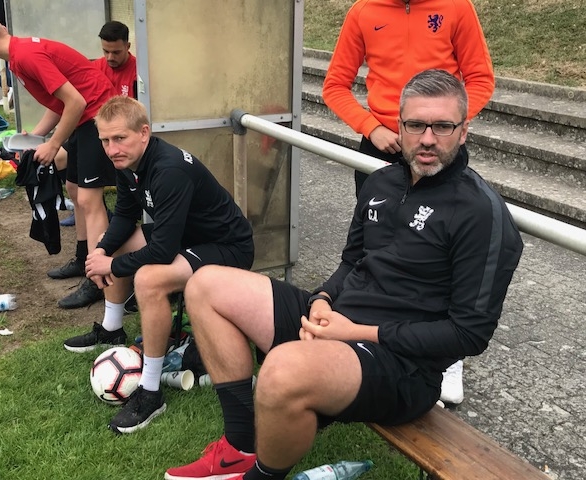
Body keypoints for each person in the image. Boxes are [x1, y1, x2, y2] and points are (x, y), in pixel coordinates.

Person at [165, 70, 523, 480]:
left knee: (281, 371)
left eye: (442, 126)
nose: (427, 139)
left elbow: (469, 335)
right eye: (415, 125)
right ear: (399, 126)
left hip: (402, 366)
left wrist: (355, 332)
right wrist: (322, 299)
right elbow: (352, 262)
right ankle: (240, 448)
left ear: (464, 131)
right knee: (205, 283)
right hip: (339, 322)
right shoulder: (381, 182)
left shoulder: (481, 213)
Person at [322, 0, 496, 404]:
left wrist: (445, 125)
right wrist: (371, 127)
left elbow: (480, 78)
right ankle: (373, 331)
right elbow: (335, 85)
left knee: (441, 249)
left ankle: (446, 356)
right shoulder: (363, 11)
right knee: (377, 248)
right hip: (381, 144)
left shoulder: (456, 7)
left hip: (436, 144)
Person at [62, 96, 255, 435]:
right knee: (116, 240)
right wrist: (103, 251)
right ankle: (112, 328)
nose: (111, 149)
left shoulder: (169, 170)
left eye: (119, 138)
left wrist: (112, 265)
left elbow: (163, 252)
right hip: (186, 238)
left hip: (227, 247)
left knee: (149, 280)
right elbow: (125, 215)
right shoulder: (127, 162)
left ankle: (150, 391)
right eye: (105, 140)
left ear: (144, 133)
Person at [0, 10, 118, 309]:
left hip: (99, 117)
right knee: (74, 189)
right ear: (3, 28)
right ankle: (83, 258)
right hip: (84, 118)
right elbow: (60, 101)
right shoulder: (18, 55)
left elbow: (76, 102)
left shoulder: (25, 56)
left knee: (89, 200)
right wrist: (35, 137)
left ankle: (99, 279)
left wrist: (54, 143)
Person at [49, 20, 137, 268]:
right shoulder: (94, 68)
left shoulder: (139, 72)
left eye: (116, 52)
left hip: (118, 138)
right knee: (59, 159)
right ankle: (89, 216)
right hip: (91, 131)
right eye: (105, 51)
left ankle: (98, 222)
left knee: (89, 196)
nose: (110, 57)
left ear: (128, 46)